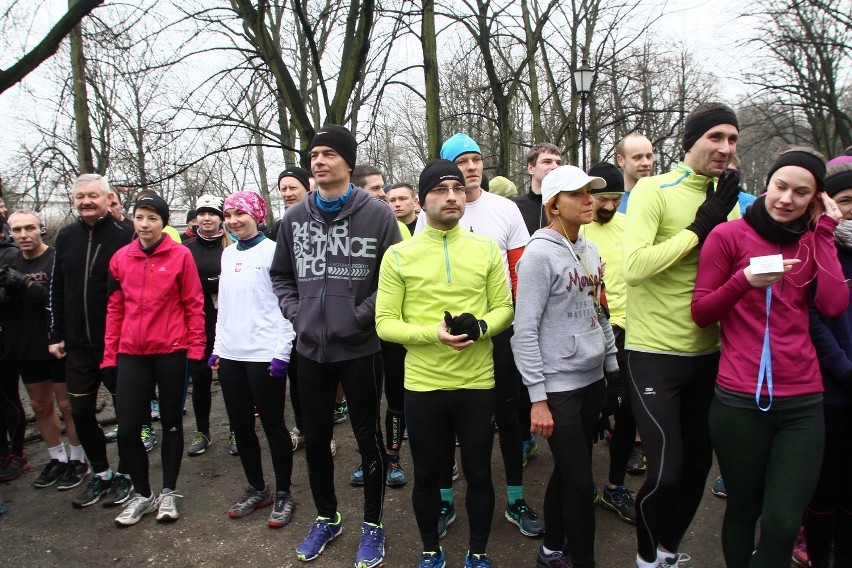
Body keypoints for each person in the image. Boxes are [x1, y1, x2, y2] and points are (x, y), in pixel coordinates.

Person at [692, 147, 848, 567]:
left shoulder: (814, 240)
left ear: (814, 199)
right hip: (739, 403)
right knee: (743, 510)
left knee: (782, 524)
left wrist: (826, 231)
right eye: (781, 186)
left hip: (802, 403)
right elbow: (702, 312)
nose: (787, 199)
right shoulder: (729, 236)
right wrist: (743, 280)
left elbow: (833, 305)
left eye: (802, 192)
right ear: (767, 185)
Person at [271, 124, 400, 567]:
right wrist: (298, 314)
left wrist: (358, 317)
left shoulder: (379, 216)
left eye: (328, 154)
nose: (319, 162)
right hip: (309, 350)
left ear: (347, 161)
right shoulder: (293, 219)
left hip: (360, 349)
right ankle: (327, 516)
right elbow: (281, 275)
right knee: (316, 436)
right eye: (314, 155)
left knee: (369, 439)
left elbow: (394, 278)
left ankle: (373, 526)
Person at [376, 159, 514, 568]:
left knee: (479, 474)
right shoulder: (398, 256)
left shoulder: (487, 248)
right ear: (421, 200)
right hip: (423, 385)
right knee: (428, 476)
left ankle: (478, 552)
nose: (451, 196)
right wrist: (430, 334)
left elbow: (505, 307)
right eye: (440, 190)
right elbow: (384, 323)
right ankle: (431, 551)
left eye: (457, 188)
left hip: (476, 382)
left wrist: (482, 327)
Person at [623, 102, 742, 568]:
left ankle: (666, 552)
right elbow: (634, 268)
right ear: (691, 141)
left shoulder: (733, 196)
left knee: (696, 470)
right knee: (667, 472)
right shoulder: (654, 189)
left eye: (732, 140)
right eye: (715, 137)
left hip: (710, 352)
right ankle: (644, 557)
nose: (725, 148)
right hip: (654, 352)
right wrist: (701, 225)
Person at [416, 133, 542, 539]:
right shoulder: (428, 214)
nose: (471, 168)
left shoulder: (505, 209)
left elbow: (519, 273)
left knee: (508, 417)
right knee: (448, 422)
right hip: (445, 335)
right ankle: (446, 500)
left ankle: (516, 498)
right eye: (461, 162)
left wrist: (514, 325)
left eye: (475, 160)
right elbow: (424, 277)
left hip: (498, 332)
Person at [513, 164, 618, 568]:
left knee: (570, 472)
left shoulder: (589, 249)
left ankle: (552, 548)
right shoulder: (538, 255)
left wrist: (612, 370)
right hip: (558, 386)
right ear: (554, 204)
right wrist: (537, 397)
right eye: (579, 195)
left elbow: (599, 313)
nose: (590, 200)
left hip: (592, 379)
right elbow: (524, 331)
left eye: (590, 193)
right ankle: (582, 560)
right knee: (580, 484)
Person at [103, 192, 205, 526]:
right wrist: (109, 356)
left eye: (152, 218)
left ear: (163, 223)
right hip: (132, 352)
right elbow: (115, 309)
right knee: (130, 428)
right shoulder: (120, 258)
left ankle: (168, 492)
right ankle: (142, 494)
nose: (145, 224)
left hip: (172, 351)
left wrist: (195, 349)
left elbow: (193, 303)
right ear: (133, 220)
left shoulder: (180, 256)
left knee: (173, 423)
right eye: (140, 217)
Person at [208, 190, 297, 527]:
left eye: (239, 214)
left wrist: (281, 353)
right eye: (228, 215)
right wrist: (217, 347)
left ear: (257, 215)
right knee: (240, 426)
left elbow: (284, 306)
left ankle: (285, 492)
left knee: (273, 425)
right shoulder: (228, 255)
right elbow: (225, 308)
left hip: (264, 355)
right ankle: (258, 488)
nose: (232, 221)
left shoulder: (274, 252)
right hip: (232, 355)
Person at [48, 173, 136, 509]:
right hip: (77, 346)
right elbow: (56, 287)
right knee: (80, 411)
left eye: (92, 196)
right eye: (80, 196)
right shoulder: (66, 237)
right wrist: (55, 334)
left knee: (127, 413)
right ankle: (101, 473)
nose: (86, 201)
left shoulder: (125, 233)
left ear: (107, 197)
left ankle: (127, 474)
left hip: (118, 343)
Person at [0, 210, 86, 489]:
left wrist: (26, 284)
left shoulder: (55, 258)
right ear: (10, 233)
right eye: (17, 230)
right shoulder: (8, 259)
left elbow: (60, 299)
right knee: (39, 405)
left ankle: (78, 458)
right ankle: (56, 457)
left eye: (29, 228)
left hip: (55, 343)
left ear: (41, 229)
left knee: (67, 405)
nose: (23, 235)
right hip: (23, 344)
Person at [580, 162, 638, 524]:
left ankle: (615, 486)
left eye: (616, 199)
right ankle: (582, 483)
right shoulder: (576, 229)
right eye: (603, 198)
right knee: (588, 412)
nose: (609, 207)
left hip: (630, 332)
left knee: (628, 410)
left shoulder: (631, 226)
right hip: (588, 333)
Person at [806, 160, 852, 567]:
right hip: (831, 389)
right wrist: (844, 370)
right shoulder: (819, 249)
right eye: (845, 201)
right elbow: (815, 319)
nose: (850, 210)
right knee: (825, 486)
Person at [183, 194, 235, 456]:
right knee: (200, 378)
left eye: (212, 213)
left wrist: (209, 282)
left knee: (231, 379)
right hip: (197, 322)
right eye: (202, 213)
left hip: (227, 321)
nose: (206, 218)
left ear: (220, 218)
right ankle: (202, 432)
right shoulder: (187, 249)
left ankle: (237, 429)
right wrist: (211, 282)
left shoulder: (231, 245)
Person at [513, 143, 563, 235]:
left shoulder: (568, 205)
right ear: (531, 168)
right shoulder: (513, 207)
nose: (555, 166)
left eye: (558, 163)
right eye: (547, 162)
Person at [615, 133, 654, 214]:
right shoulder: (612, 205)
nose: (645, 163)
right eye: (637, 157)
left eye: (649, 156)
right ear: (621, 160)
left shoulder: (664, 199)